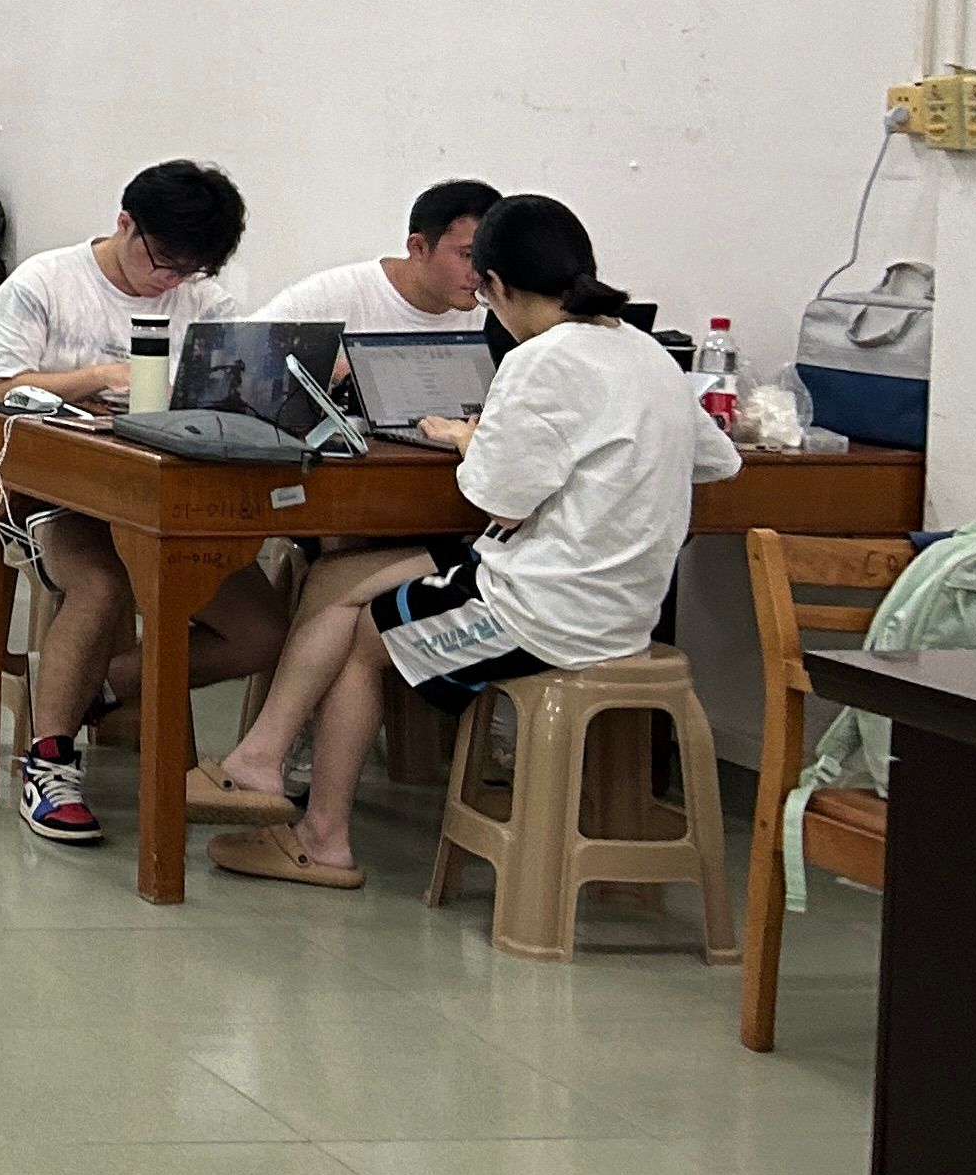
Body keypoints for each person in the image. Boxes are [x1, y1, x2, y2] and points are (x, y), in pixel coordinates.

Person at [203, 194, 738, 889]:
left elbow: (494, 502)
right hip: (619, 604)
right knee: (338, 578)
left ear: (499, 286)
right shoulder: (646, 353)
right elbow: (720, 461)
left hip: (543, 609)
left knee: (364, 634)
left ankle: (322, 837)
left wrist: (469, 437)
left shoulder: (539, 361)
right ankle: (259, 761)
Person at [0, 158, 293, 847]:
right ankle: (49, 762)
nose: (171, 281)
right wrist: (95, 377)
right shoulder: (44, 283)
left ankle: (102, 684)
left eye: (189, 270)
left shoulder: (204, 302)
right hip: (58, 494)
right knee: (102, 585)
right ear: (125, 223)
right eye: (163, 262)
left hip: (167, 499)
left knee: (262, 632)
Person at [259, 178, 501, 344]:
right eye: (468, 255)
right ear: (418, 248)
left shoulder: (500, 312)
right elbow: (247, 344)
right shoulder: (334, 297)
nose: (479, 273)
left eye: (487, 255)